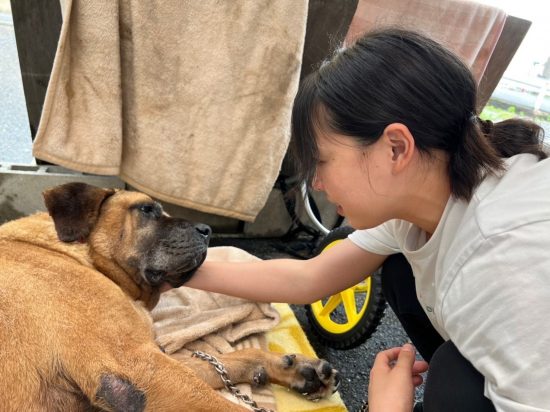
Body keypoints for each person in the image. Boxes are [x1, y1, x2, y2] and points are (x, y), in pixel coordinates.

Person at [187, 28, 550, 411]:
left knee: (453, 381)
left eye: (323, 160)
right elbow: (310, 277)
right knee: (399, 269)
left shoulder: (503, 258)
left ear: (395, 148)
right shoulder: (428, 191)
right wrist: (176, 270)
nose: (317, 181)